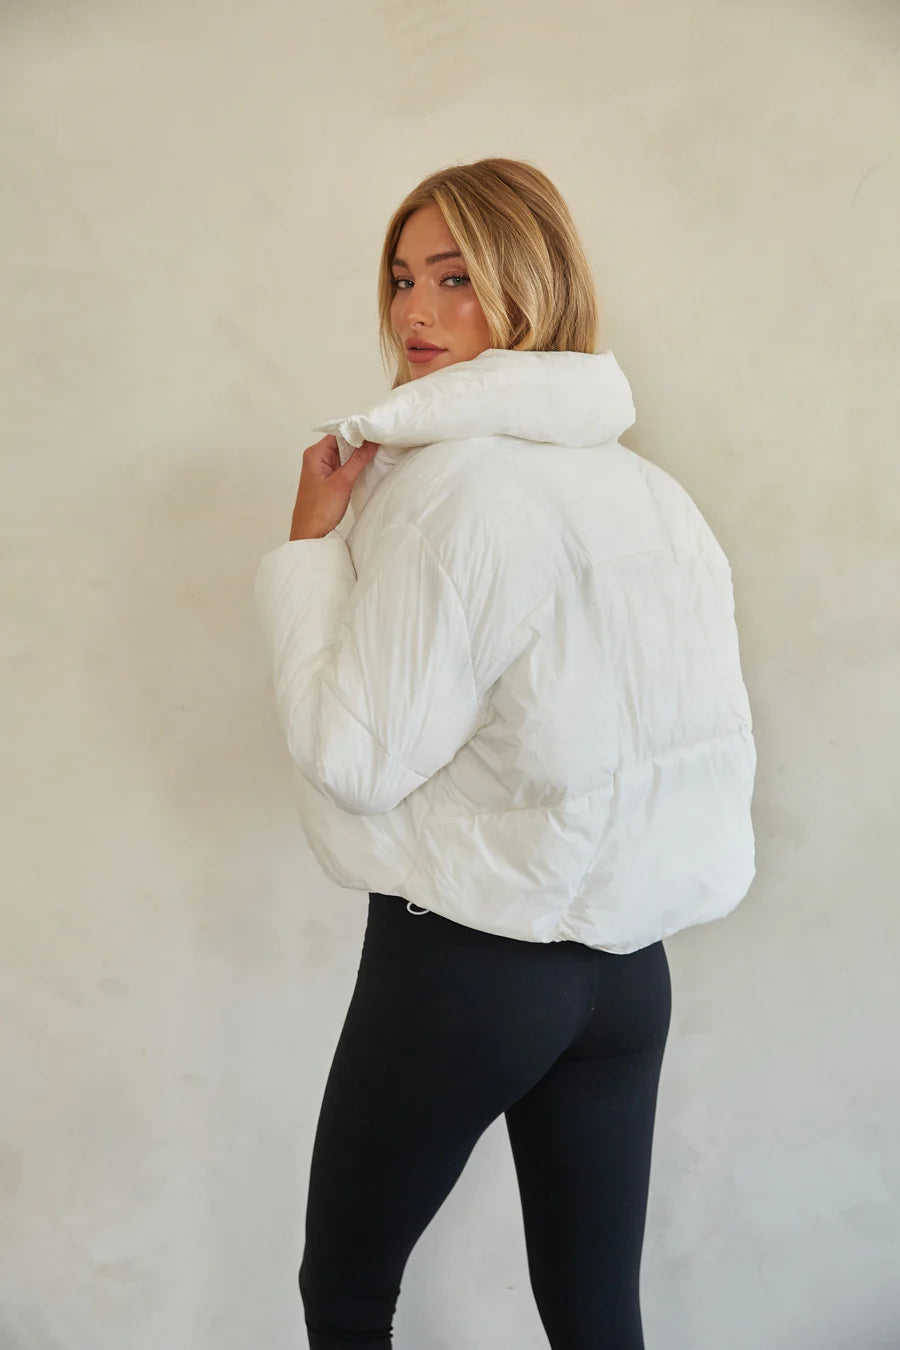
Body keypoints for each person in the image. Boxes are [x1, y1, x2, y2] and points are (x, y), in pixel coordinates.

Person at [253, 157, 757, 1350]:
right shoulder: (654, 494)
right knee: (596, 1314)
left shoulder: (454, 495)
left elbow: (353, 757)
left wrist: (308, 550)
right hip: (627, 977)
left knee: (347, 1294)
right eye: (400, 280)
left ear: (530, 286)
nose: (416, 314)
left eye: (455, 279)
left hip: (471, 963)